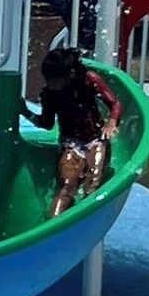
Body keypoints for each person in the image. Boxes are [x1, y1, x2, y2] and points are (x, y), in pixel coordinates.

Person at [34, 33, 119, 202]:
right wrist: (25, 112)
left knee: (93, 179)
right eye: (46, 79)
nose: (49, 83)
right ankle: (58, 217)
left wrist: (112, 121)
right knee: (66, 187)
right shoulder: (49, 94)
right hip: (71, 143)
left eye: (53, 80)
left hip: (96, 139)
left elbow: (115, 103)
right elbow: (47, 123)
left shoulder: (89, 80)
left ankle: (90, 205)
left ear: (69, 75)